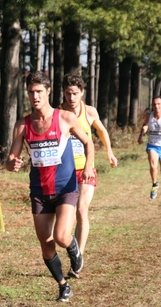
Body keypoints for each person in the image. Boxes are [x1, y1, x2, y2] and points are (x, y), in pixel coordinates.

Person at [6, 71, 95, 302]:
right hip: (39, 193)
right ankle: (63, 285)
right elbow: (10, 159)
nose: (34, 96)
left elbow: (88, 143)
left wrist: (87, 167)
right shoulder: (22, 125)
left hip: (65, 188)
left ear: (47, 92)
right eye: (30, 92)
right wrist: (12, 163)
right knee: (46, 246)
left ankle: (74, 251)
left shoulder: (65, 118)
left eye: (38, 92)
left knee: (62, 237)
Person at [59, 73, 118, 265]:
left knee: (81, 210)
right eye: (68, 93)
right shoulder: (57, 113)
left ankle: (78, 257)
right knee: (64, 215)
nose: (72, 98)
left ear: (82, 93)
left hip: (86, 167)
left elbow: (102, 131)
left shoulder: (89, 112)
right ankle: (71, 246)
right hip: (64, 170)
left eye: (75, 93)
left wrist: (109, 152)